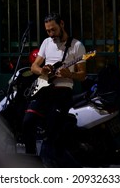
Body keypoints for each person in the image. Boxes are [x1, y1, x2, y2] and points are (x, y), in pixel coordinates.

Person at [22, 12, 87, 155]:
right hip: (44, 89)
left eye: (53, 29)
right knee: (28, 122)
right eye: (48, 31)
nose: (51, 34)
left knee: (53, 128)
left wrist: (69, 74)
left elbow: (83, 75)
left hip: (63, 91)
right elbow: (34, 67)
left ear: (61, 24)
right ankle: (31, 159)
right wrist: (43, 70)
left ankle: (53, 160)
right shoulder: (46, 43)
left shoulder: (77, 46)